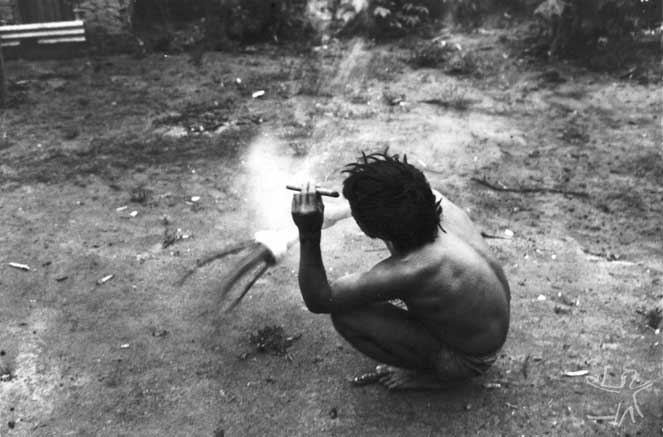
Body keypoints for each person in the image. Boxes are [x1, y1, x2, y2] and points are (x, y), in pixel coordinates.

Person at [290, 152, 510, 390]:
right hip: (488, 324)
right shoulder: (429, 200)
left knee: (346, 315)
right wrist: (336, 213)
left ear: (370, 230)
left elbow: (320, 299)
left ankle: (434, 377)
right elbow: (389, 204)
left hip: (469, 359)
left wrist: (309, 232)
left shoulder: (414, 267)